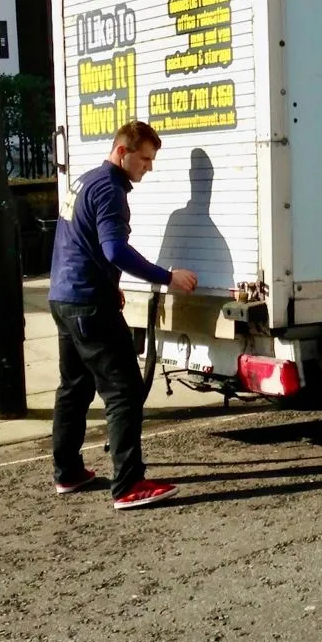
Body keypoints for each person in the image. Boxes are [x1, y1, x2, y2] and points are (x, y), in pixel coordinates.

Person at [49, 120, 198, 509]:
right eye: (145, 159)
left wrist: (105, 281)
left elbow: (75, 242)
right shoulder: (111, 190)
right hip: (88, 305)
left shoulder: (85, 181)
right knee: (124, 391)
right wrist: (167, 277)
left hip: (63, 299)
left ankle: (67, 473)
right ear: (122, 152)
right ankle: (128, 485)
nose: (148, 167)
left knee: (74, 388)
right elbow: (114, 249)